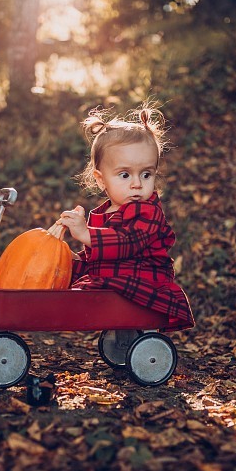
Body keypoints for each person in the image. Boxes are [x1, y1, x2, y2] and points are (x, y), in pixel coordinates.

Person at [56, 104, 195, 332]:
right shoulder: (104, 212)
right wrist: (72, 259)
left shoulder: (147, 212)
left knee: (80, 293)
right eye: (124, 174)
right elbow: (100, 257)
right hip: (114, 278)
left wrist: (85, 233)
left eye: (146, 174)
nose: (137, 184)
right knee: (67, 276)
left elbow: (127, 242)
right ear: (101, 180)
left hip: (142, 281)